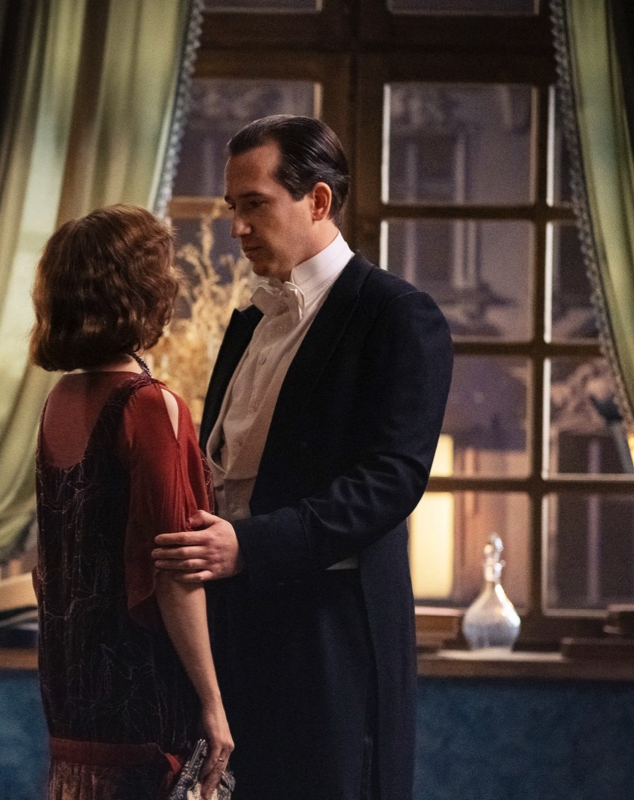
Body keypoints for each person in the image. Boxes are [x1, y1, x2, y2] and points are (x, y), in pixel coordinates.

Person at [152, 115, 454, 800]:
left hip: (331, 637)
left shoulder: (397, 314)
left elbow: (391, 482)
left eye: (255, 204)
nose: (236, 227)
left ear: (318, 200)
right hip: (235, 626)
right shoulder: (251, 319)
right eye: (232, 206)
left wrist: (247, 546)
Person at [31, 204, 233, 800]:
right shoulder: (149, 405)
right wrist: (212, 701)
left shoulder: (59, 401)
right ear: (144, 293)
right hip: (143, 688)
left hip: (71, 690)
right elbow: (174, 571)